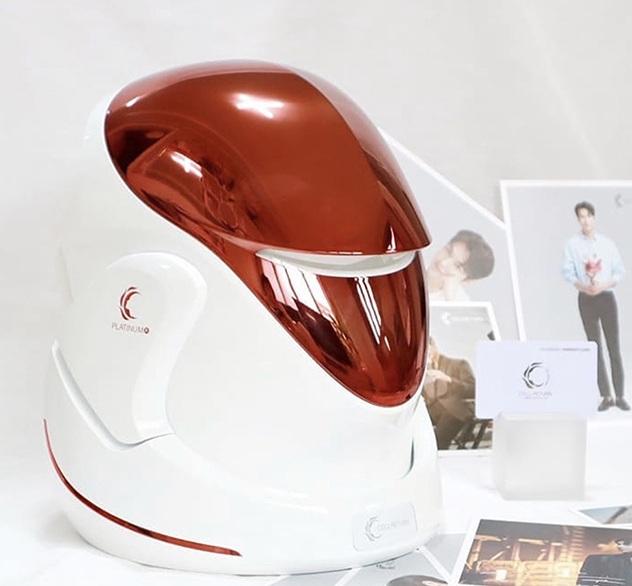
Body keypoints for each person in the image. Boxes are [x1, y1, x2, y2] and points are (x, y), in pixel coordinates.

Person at [562, 201, 628, 411]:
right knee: (594, 346)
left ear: (594, 217)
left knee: (613, 346)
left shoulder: (607, 244)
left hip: (606, 296)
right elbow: (568, 272)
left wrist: (603, 285)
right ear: (578, 219)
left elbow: (619, 271)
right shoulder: (572, 244)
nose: (586, 220)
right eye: (581, 217)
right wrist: (584, 286)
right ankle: (606, 395)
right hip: (586, 298)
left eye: (589, 216)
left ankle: (620, 395)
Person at [422, 337, 476, 449]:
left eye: (426, 349)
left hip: (454, 411)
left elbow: (473, 390)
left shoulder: (458, 364)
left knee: (437, 440)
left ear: (433, 346)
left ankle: (438, 448)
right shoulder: (425, 371)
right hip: (432, 410)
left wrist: (449, 379)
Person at [427, 229, 495, 301]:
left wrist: (449, 301)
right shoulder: (419, 262)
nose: (443, 262)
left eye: (457, 266)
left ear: (467, 280)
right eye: (448, 251)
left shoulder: (460, 303)